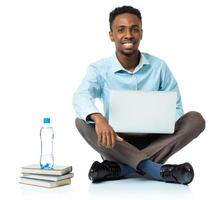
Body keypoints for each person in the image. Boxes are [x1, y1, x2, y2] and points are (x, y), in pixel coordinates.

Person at [73, 5, 205, 184]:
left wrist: (161, 123)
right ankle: (154, 169)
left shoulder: (159, 67)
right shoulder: (99, 69)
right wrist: (99, 119)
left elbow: (177, 107)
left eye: (134, 29)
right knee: (82, 121)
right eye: (121, 30)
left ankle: (121, 168)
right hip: (116, 141)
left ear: (141, 33)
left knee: (196, 120)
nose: (128, 35)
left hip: (156, 140)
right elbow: (81, 96)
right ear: (111, 35)